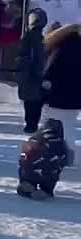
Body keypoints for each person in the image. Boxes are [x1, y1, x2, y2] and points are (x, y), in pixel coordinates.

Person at [42, 22, 81, 167]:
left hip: (59, 97)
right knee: (69, 129)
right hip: (75, 97)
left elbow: (49, 74)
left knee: (56, 130)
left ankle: (60, 158)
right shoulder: (77, 46)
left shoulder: (60, 50)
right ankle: (69, 158)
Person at [17, 119, 68, 201]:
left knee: (26, 171)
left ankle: (27, 184)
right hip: (48, 172)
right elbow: (66, 159)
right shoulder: (59, 141)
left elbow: (22, 157)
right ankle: (45, 191)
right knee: (51, 175)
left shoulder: (34, 138)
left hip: (28, 170)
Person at [18, 8, 49, 134]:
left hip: (29, 74)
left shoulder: (27, 37)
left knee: (30, 102)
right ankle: (32, 124)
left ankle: (30, 124)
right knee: (35, 102)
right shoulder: (38, 38)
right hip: (34, 73)